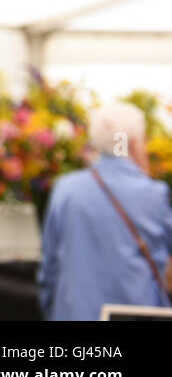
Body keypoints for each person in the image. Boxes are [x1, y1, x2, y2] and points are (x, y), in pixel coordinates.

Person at [39, 101, 172, 320]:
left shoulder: (65, 188)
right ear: (136, 143)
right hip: (135, 313)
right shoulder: (153, 194)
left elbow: (49, 267)